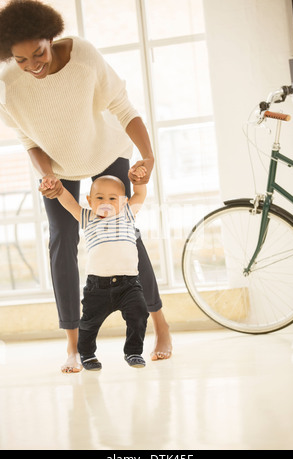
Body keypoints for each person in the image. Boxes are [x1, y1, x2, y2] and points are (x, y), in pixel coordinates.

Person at [0, 0, 172, 373]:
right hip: (59, 167)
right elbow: (29, 140)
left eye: (38, 53)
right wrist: (47, 177)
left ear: (51, 37)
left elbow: (125, 109)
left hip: (107, 152)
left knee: (124, 235)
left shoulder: (84, 59)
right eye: (21, 59)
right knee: (62, 239)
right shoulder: (9, 85)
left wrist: (147, 155)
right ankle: (74, 346)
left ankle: (161, 326)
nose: (32, 65)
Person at [40, 168, 149, 370]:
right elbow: (69, 202)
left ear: (124, 201)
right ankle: (87, 354)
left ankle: (133, 351)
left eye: (112, 198)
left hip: (129, 285)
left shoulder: (127, 214)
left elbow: (140, 193)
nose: (105, 202)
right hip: (97, 287)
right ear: (90, 201)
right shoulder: (87, 217)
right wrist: (58, 188)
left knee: (140, 313)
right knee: (89, 324)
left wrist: (140, 179)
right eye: (99, 197)